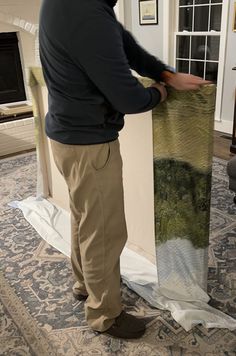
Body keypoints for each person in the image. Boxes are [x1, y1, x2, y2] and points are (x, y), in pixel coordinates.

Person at [39, 0, 210, 339]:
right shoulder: (87, 12)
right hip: (89, 143)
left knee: (85, 217)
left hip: (65, 135)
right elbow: (129, 98)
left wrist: (167, 74)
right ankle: (105, 315)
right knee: (104, 231)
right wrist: (159, 92)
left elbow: (125, 45)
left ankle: (85, 285)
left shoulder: (68, 5)